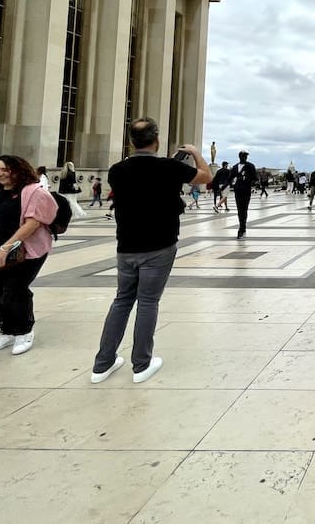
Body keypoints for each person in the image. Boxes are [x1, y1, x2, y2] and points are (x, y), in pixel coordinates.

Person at [90, 118, 211, 384]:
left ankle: (102, 364)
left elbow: (140, 183)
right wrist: (194, 153)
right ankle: (141, 364)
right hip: (159, 244)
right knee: (147, 302)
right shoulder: (169, 167)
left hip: (126, 245)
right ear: (156, 139)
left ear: (131, 141)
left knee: (122, 301)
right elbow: (206, 177)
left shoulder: (117, 170)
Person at [0, 156, 58, 355]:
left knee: (15, 290)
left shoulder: (32, 192)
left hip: (26, 250)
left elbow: (33, 223)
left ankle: (23, 331)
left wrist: (7, 247)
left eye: (5, 169)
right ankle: (7, 330)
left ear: (18, 170)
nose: (0, 174)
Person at [227, 151, 258, 238]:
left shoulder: (250, 166)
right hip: (238, 190)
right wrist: (225, 186)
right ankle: (242, 228)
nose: (244, 158)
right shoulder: (235, 167)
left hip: (246, 190)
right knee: (239, 210)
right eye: (242, 156)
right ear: (239, 157)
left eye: (245, 156)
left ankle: (242, 229)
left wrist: (250, 182)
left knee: (244, 209)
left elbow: (255, 178)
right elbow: (230, 178)